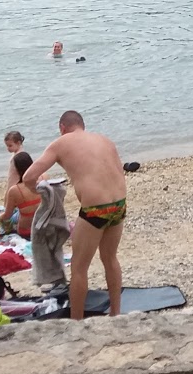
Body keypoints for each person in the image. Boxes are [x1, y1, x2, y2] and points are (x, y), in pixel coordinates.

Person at [23, 110, 126, 319]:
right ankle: (116, 313)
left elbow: (28, 176)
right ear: (83, 126)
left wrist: (41, 192)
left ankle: (76, 323)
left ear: (62, 128)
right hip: (119, 205)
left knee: (79, 267)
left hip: (95, 209)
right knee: (110, 258)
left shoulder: (61, 143)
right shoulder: (104, 140)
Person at [0, 151, 43, 239]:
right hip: (44, 226)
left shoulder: (15, 190)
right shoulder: (44, 177)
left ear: (17, 169)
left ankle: (1, 233)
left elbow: (7, 215)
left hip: (26, 232)